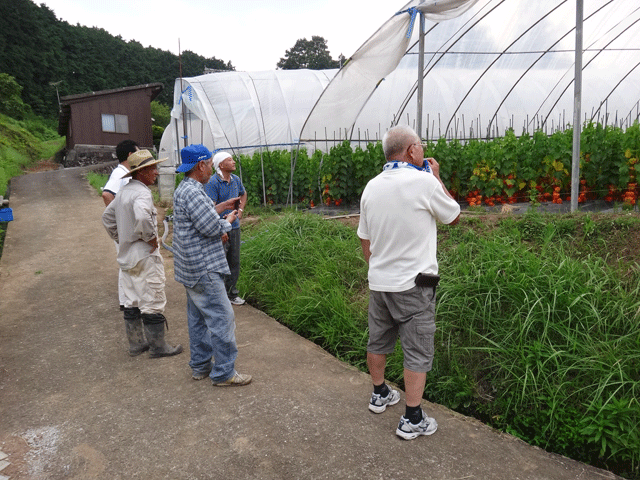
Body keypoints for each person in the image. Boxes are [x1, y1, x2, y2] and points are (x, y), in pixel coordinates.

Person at [357, 125, 460, 440]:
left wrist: (380, 268)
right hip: (414, 285)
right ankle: (412, 418)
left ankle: (379, 394)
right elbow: (453, 215)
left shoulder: (372, 187)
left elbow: (365, 241)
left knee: (379, 340)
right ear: (413, 150)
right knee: (417, 349)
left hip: (380, 282)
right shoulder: (424, 182)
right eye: (421, 146)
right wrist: (436, 176)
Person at [172, 144, 251, 386]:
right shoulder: (195, 193)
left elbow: (202, 216)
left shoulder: (187, 189)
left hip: (190, 267)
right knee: (222, 317)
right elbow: (210, 227)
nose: (210, 167)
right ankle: (224, 373)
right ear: (201, 165)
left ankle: (200, 366)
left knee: (197, 318)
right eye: (208, 163)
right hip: (204, 267)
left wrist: (221, 206)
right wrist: (227, 220)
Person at [102, 149, 183, 359]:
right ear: (142, 172)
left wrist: (120, 238)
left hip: (127, 255)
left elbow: (107, 218)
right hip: (144, 256)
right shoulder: (141, 193)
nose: (156, 173)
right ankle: (158, 347)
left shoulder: (124, 193)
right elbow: (142, 216)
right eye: (153, 169)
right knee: (153, 298)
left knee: (131, 299)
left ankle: (136, 344)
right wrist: (150, 238)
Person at [203, 151, 248, 306]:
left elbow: (243, 194)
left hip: (234, 226)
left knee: (234, 260)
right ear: (221, 165)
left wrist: (240, 210)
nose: (234, 162)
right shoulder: (213, 183)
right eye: (230, 160)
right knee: (219, 262)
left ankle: (232, 293)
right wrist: (220, 230)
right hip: (221, 228)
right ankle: (219, 295)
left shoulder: (235, 180)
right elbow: (211, 208)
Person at [102, 139, 139, 311]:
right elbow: (107, 194)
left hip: (126, 228)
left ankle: (127, 300)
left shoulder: (125, 173)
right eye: (137, 153)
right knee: (127, 263)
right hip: (124, 229)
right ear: (130, 155)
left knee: (128, 263)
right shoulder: (119, 174)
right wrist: (119, 220)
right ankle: (127, 302)